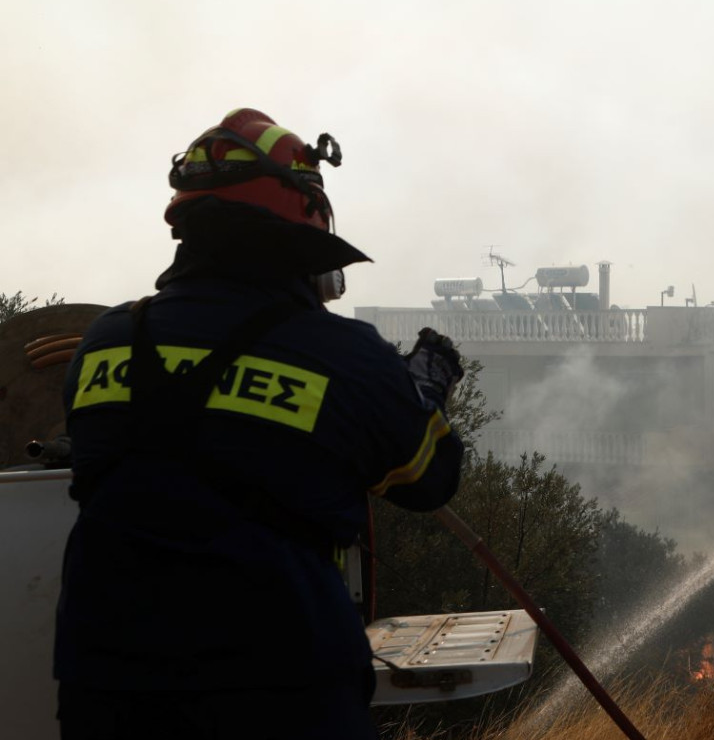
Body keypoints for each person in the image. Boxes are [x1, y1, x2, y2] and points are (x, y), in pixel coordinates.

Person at [54, 108, 466, 739]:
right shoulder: (345, 356)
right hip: (281, 686)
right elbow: (428, 480)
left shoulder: (106, 340)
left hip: (106, 684)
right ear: (301, 235)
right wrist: (426, 387)